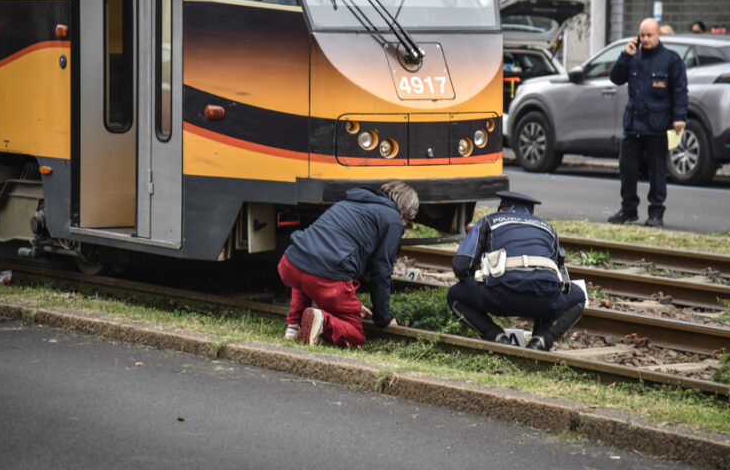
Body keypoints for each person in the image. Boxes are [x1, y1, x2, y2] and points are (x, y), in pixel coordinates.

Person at [277, 181, 419, 347]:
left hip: (291, 263)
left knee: (307, 261)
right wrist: (384, 319)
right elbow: (381, 272)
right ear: (403, 214)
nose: (403, 225)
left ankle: (294, 325)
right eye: (407, 222)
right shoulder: (392, 219)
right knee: (356, 336)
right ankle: (322, 320)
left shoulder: (350, 202)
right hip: (326, 279)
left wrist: (352, 305)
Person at [447, 191, 586, 351]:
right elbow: (559, 277)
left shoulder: (489, 221)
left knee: (455, 295)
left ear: (501, 210)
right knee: (578, 296)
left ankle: (496, 337)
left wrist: (479, 280)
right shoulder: (548, 228)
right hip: (546, 301)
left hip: (497, 299)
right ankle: (541, 340)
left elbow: (461, 265)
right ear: (531, 213)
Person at [608, 18, 688, 228]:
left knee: (657, 171)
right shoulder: (633, 57)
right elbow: (616, 78)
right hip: (633, 124)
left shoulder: (671, 60)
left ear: (659, 35)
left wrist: (679, 117)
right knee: (627, 168)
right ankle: (628, 209)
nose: (645, 39)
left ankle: (656, 213)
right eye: (642, 35)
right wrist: (625, 56)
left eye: (649, 35)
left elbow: (680, 91)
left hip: (657, 125)